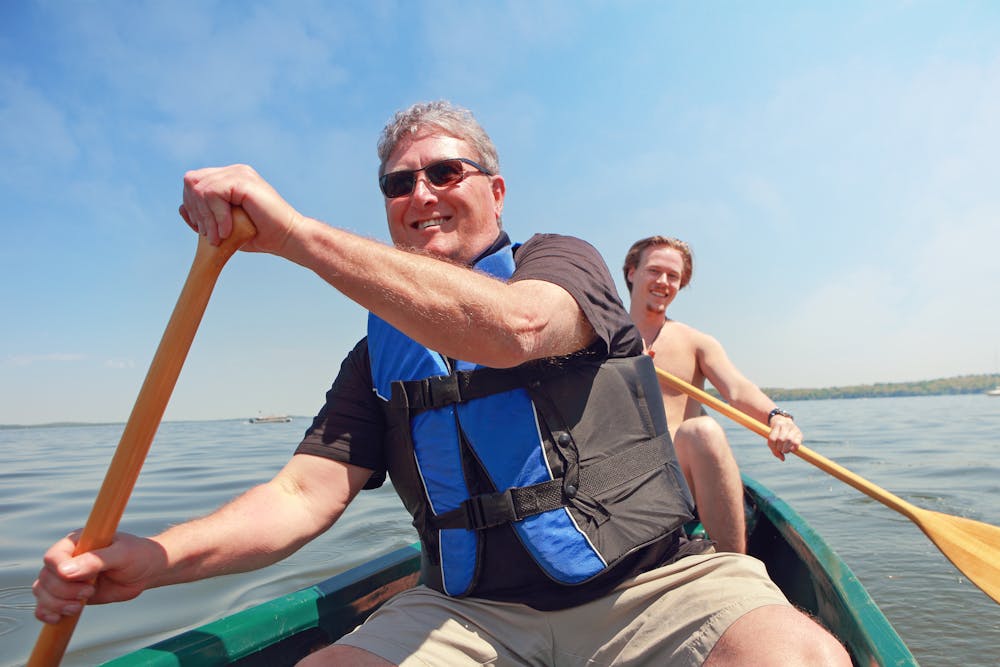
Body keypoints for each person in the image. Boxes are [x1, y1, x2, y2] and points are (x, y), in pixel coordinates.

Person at [34, 102, 847, 666]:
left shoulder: (564, 264)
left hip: (649, 583)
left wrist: (296, 236)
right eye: (397, 183)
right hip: (472, 613)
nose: (419, 193)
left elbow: (514, 330)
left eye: (444, 171)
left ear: (495, 190)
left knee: (797, 653)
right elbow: (298, 497)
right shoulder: (376, 357)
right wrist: (151, 557)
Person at [623, 236, 804, 554]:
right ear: (631, 273)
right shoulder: (599, 340)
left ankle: (736, 567)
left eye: (674, 276)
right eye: (654, 271)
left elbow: (737, 389)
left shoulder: (696, 342)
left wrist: (778, 417)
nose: (663, 282)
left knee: (703, 431)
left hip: (678, 480)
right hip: (619, 476)